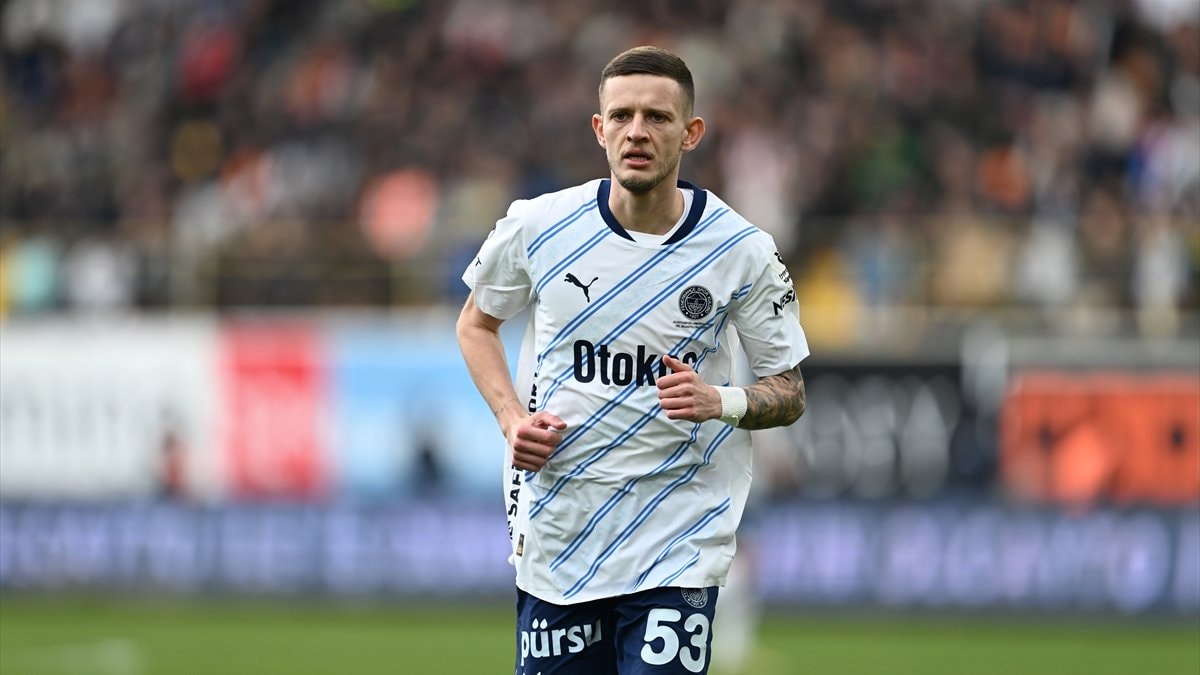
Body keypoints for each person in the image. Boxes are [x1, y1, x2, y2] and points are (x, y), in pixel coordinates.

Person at [456, 45, 809, 675]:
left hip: (677, 537)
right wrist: (511, 420)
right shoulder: (539, 225)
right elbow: (476, 324)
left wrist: (720, 401)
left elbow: (789, 390)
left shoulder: (742, 251)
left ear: (690, 133)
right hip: (562, 529)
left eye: (657, 117)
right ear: (600, 128)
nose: (637, 131)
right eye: (621, 116)